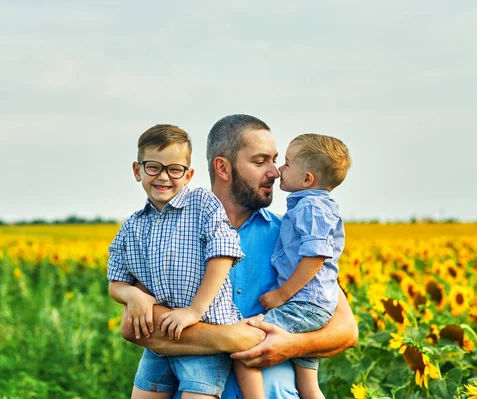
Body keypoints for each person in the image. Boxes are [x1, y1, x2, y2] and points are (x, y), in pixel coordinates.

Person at [120, 115, 359, 398]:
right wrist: (234, 338)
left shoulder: (291, 235)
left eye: (275, 160)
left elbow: (346, 330)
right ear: (222, 167)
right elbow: (139, 328)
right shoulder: (170, 234)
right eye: (260, 162)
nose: (274, 172)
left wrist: (290, 345)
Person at [107, 124, 264, 398]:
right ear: (137, 170)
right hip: (162, 340)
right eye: (153, 166)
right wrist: (133, 295)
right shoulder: (133, 226)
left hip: (207, 333)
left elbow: (222, 254)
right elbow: (115, 282)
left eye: (175, 169)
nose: (164, 177)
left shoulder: (202, 204)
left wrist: (194, 310)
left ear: (188, 174)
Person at [259, 133, 351, 399]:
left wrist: (281, 294)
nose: (278, 171)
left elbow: (314, 258)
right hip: (313, 304)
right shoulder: (314, 206)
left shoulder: (310, 207)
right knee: (307, 384)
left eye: (286, 164)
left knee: (253, 336)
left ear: (307, 179)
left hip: (303, 304)